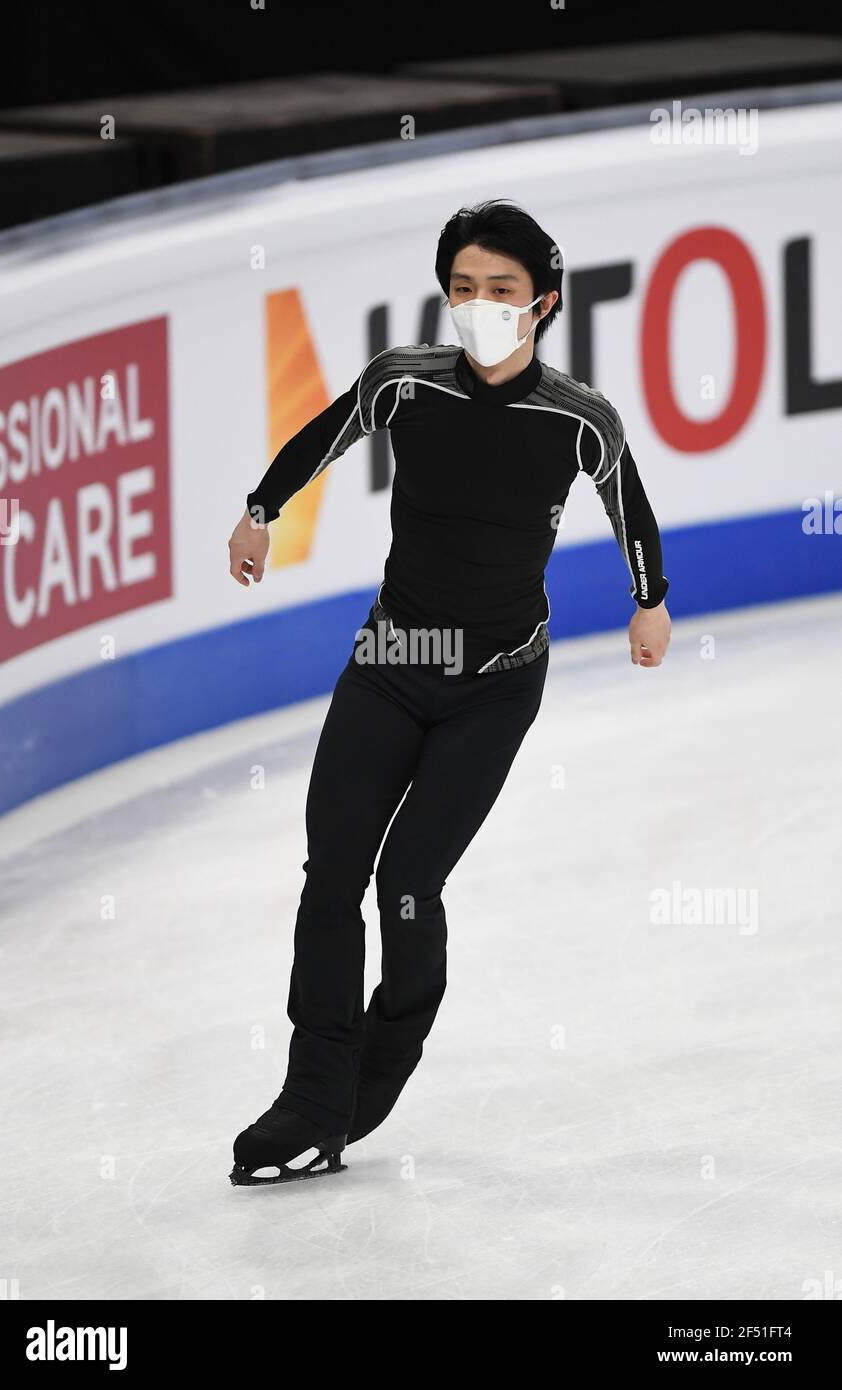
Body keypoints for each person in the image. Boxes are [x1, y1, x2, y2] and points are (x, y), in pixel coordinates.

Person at [227, 199, 671, 1186]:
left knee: (407, 886)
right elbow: (321, 433)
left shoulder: (577, 417)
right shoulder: (403, 383)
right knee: (330, 875)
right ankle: (312, 1094)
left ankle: (381, 1060)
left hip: (495, 686)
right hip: (389, 662)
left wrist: (651, 602)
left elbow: (629, 507)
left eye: (500, 291)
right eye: (462, 288)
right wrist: (259, 512)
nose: (478, 305)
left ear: (542, 303)